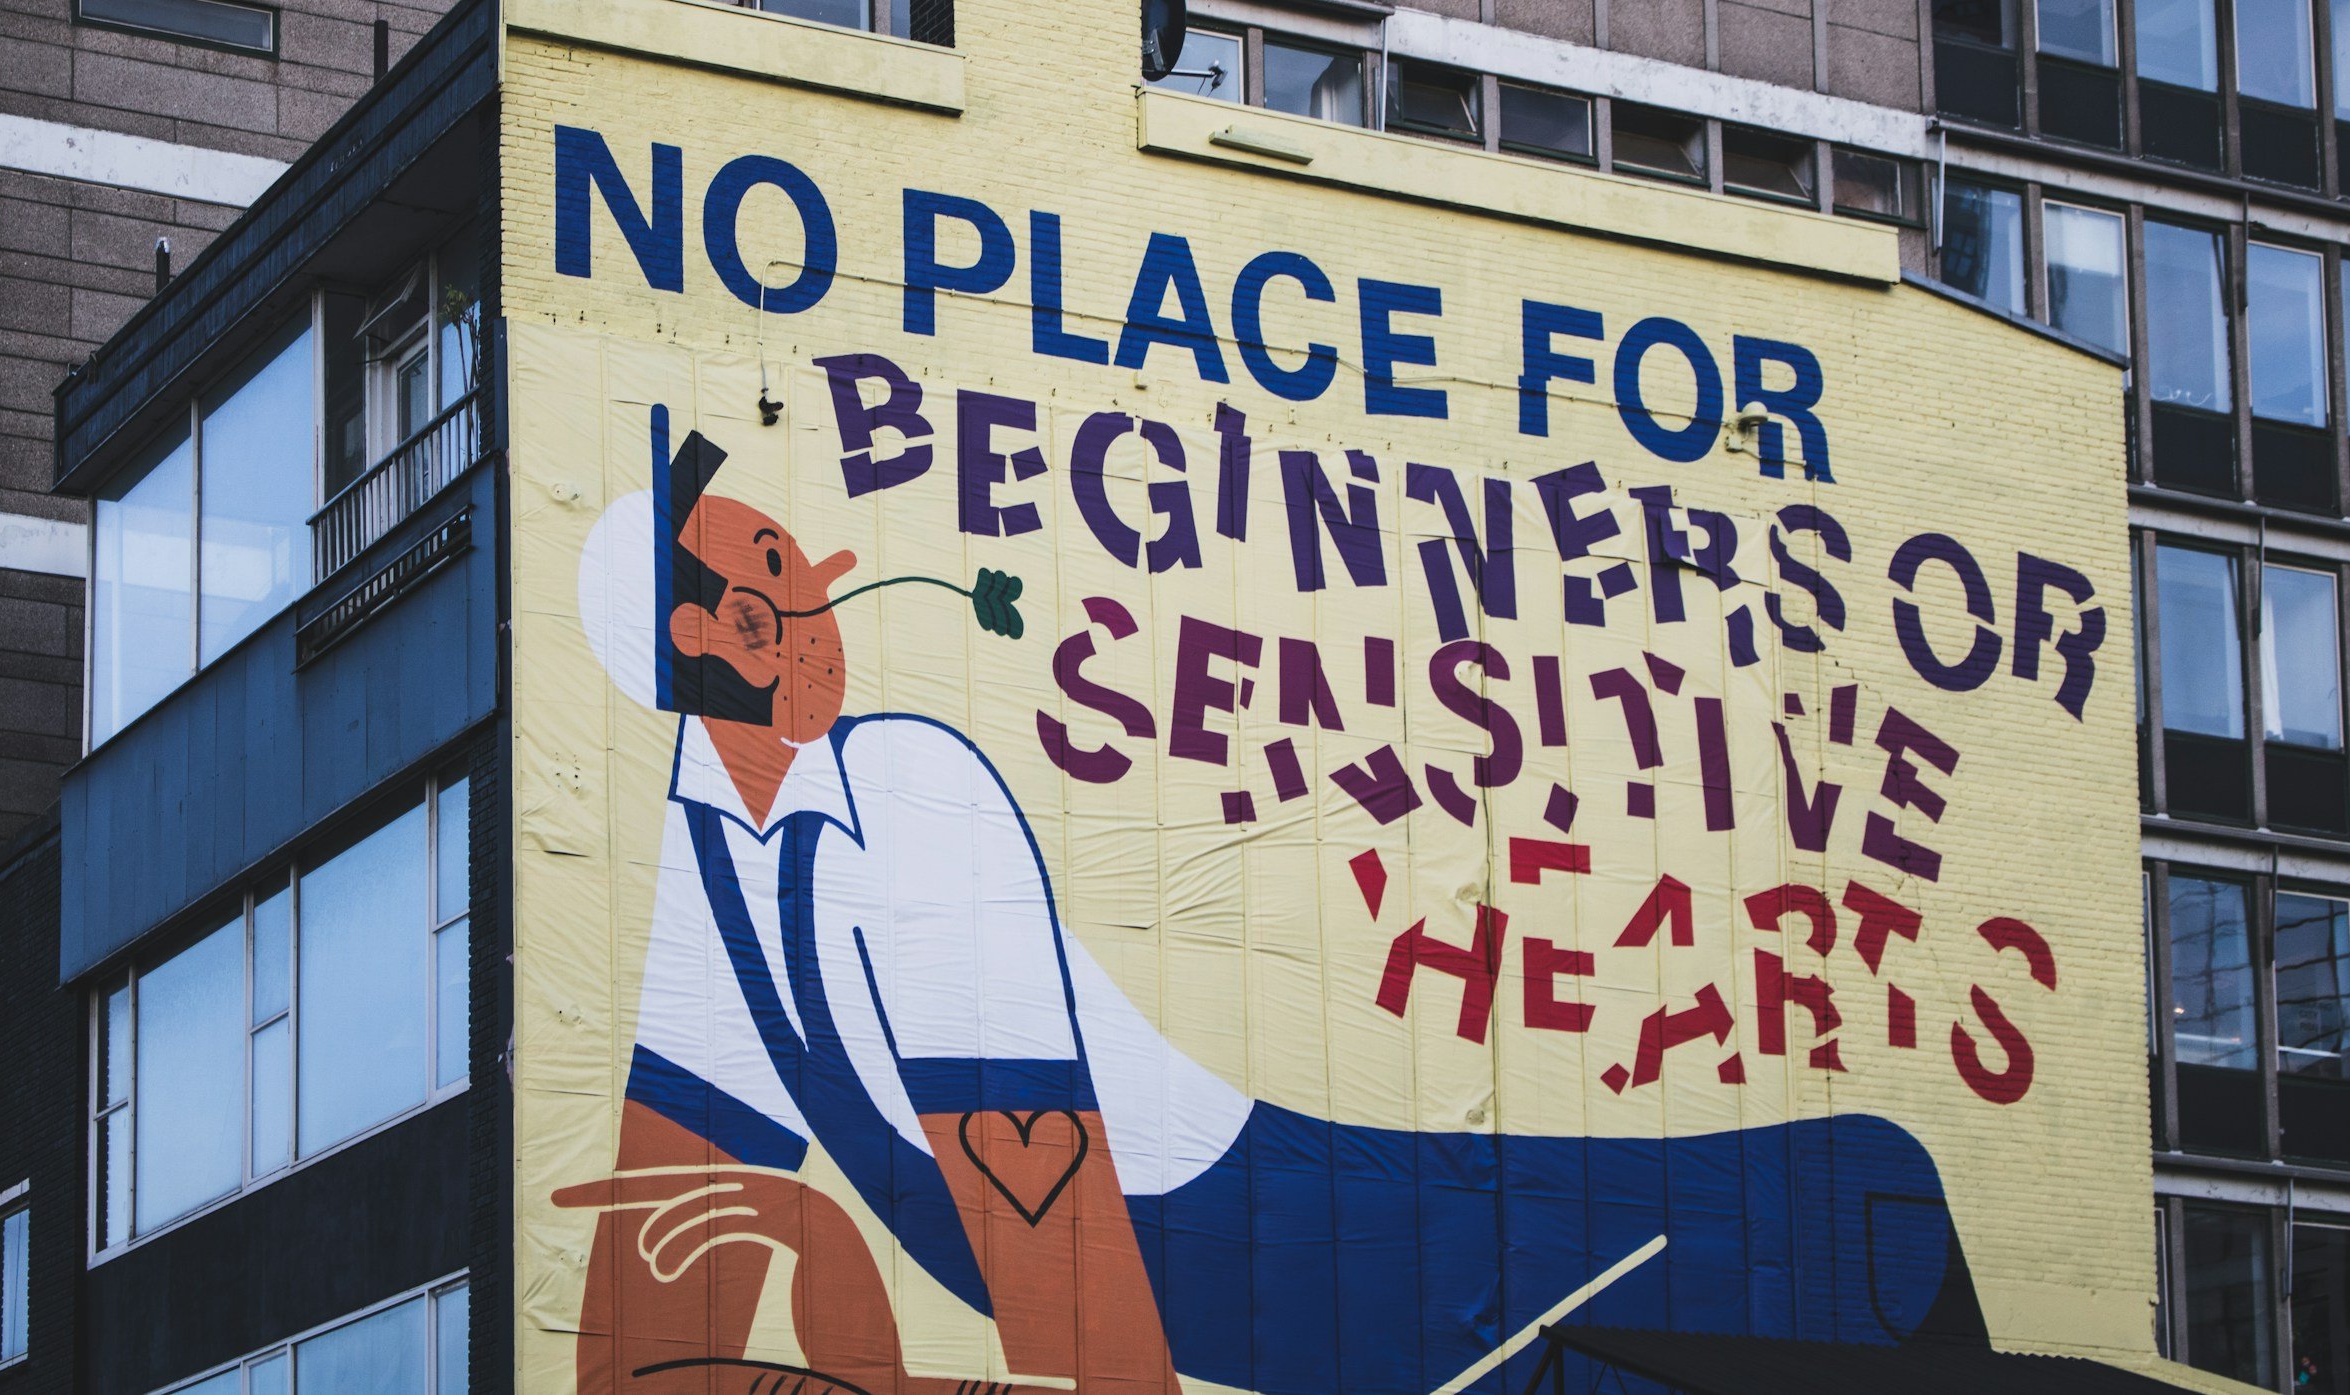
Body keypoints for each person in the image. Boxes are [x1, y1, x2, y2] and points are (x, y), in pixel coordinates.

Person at [556, 413, 1984, 1395]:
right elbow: (642, 1318)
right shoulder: (725, 862)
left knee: (1850, 1198)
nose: (828, 591)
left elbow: (1060, 1245)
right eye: (784, 577)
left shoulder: (903, 791)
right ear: (721, 634)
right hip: (1248, 1240)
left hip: (1266, 1218)